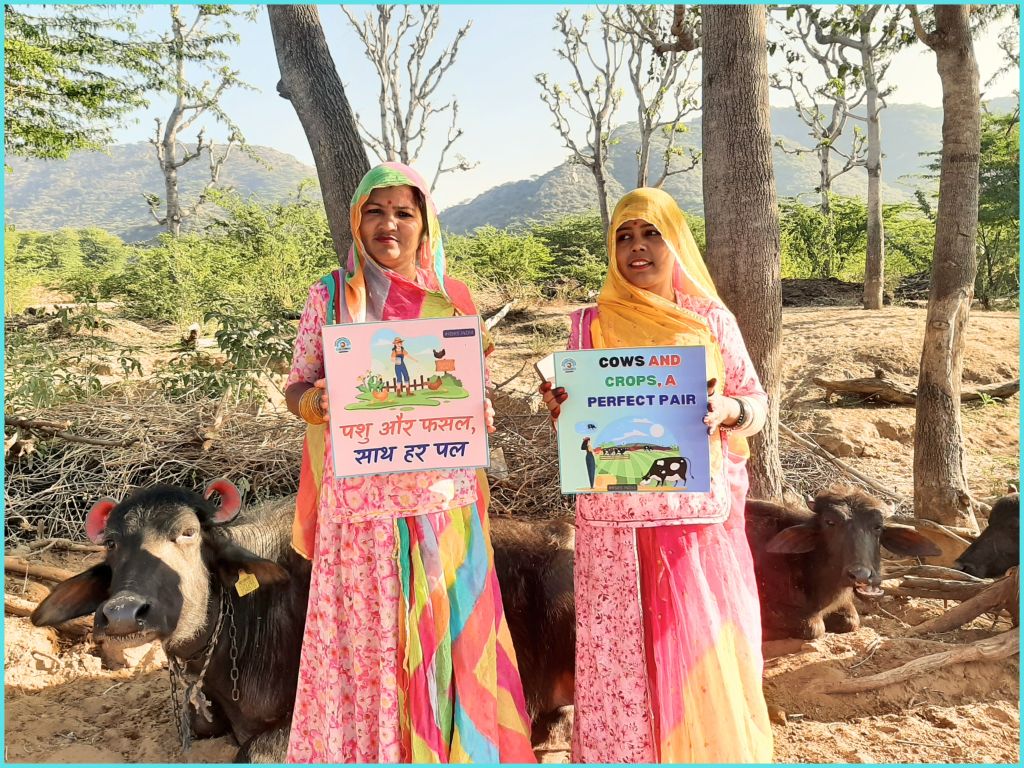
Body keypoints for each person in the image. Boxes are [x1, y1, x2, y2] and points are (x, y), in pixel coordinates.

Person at [285, 162, 535, 763]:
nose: (388, 224)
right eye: (375, 211)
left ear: (425, 224)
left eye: (404, 212)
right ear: (356, 220)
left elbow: (476, 389)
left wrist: (479, 410)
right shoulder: (330, 297)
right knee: (370, 644)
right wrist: (319, 400)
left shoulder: (453, 298)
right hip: (362, 512)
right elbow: (297, 387)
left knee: (445, 639)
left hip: (441, 501)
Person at [539, 187, 774, 763]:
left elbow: (755, 402)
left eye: (651, 235)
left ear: (675, 243)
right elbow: (581, 422)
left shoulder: (709, 320)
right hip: (611, 524)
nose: (637, 249)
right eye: (624, 236)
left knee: (690, 645)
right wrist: (562, 408)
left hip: (689, 521)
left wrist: (728, 412)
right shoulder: (589, 324)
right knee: (619, 653)